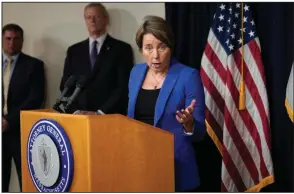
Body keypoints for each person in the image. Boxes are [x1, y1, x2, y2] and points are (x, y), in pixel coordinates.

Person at [127, 16, 206, 191]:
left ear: (170, 47)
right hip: (140, 166)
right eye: (148, 48)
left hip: (175, 168)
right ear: (141, 50)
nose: (155, 55)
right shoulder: (135, 73)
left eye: (162, 47)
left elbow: (200, 133)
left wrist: (189, 124)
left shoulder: (188, 76)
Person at [60, 3, 134, 114]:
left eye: (97, 16)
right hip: (79, 116)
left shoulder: (122, 49)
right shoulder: (74, 51)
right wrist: (76, 110)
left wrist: (101, 112)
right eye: (89, 17)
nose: (92, 21)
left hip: (109, 116)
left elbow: (123, 87)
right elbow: (66, 85)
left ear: (106, 19)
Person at [2, 23, 45, 192]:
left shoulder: (34, 65)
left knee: (26, 179)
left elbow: (36, 98)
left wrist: (9, 121)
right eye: (8, 39)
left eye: (16, 39)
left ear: (22, 40)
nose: (12, 43)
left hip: (21, 130)